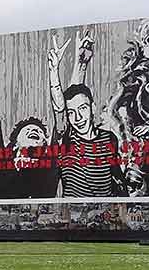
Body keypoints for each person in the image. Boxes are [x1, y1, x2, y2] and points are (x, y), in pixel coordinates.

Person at [48, 32, 127, 198]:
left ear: (93, 108)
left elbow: (117, 178)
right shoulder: (67, 140)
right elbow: (60, 106)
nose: (78, 118)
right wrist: (54, 70)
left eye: (83, 109)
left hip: (105, 211)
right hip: (73, 212)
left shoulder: (109, 138)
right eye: (71, 113)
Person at [0, 38, 58, 199]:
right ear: (14, 144)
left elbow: (60, 121)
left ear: (45, 143)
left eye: (39, 132)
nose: (35, 130)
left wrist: (55, 72)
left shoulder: (49, 167)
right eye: (28, 130)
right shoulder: (1, 166)